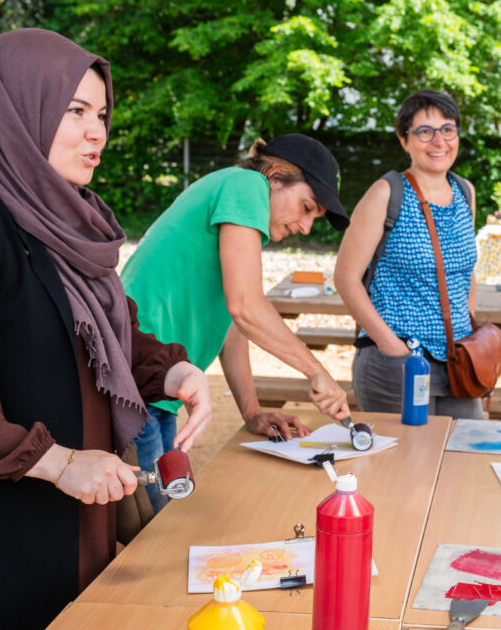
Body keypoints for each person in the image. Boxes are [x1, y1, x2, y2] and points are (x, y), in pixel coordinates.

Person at [0, 28, 213, 630]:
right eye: (73, 112)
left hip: (73, 537)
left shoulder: (57, 216)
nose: (97, 132)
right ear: (14, 109)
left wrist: (173, 373)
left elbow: (112, 328)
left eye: (101, 114)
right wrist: (58, 461)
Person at [122, 134, 351, 511]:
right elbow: (246, 306)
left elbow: (231, 322)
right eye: (306, 207)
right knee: (154, 531)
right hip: (136, 376)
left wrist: (252, 411)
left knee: (160, 518)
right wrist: (318, 372)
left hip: (155, 384)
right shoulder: (247, 184)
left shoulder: (236, 196)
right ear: (275, 177)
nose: (307, 226)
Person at [334, 90, 484, 419]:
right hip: (397, 362)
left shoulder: (465, 191)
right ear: (405, 140)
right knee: (407, 466)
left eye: (448, 129)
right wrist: (392, 347)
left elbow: (464, 271)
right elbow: (345, 279)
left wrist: (466, 329)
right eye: (424, 132)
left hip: (458, 361)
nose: (439, 141)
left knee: (463, 458)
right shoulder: (386, 193)